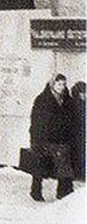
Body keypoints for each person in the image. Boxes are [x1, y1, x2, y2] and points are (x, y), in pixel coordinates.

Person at [29, 73, 76, 201]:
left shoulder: (67, 100)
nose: (61, 87)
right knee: (40, 167)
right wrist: (34, 139)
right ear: (52, 84)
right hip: (44, 139)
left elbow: (72, 120)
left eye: (63, 84)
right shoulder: (42, 99)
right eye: (59, 84)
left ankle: (63, 193)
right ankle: (36, 191)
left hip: (61, 139)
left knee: (64, 167)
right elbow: (36, 120)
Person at [71, 81, 86, 182]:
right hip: (77, 133)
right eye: (83, 92)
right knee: (78, 153)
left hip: (79, 133)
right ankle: (79, 174)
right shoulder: (76, 103)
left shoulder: (81, 103)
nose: (85, 94)